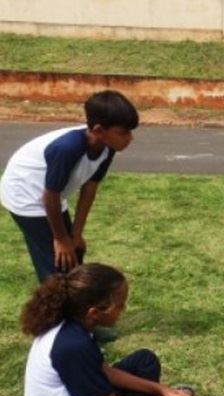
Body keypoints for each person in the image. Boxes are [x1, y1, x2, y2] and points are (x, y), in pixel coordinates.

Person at [21, 263, 194, 396]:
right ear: (95, 311)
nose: (124, 310)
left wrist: (161, 390)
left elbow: (105, 371)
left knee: (144, 360)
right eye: (120, 305)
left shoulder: (76, 324)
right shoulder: (73, 345)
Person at [1, 90, 138, 283]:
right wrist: (60, 239)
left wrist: (76, 234)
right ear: (98, 130)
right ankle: (55, 309)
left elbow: (90, 187)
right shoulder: (67, 148)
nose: (129, 138)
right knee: (58, 266)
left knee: (75, 253)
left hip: (51, 195)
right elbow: (49, 195)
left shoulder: (107, 147)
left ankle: (74, 307)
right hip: (26, 194)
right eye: (123, 132)